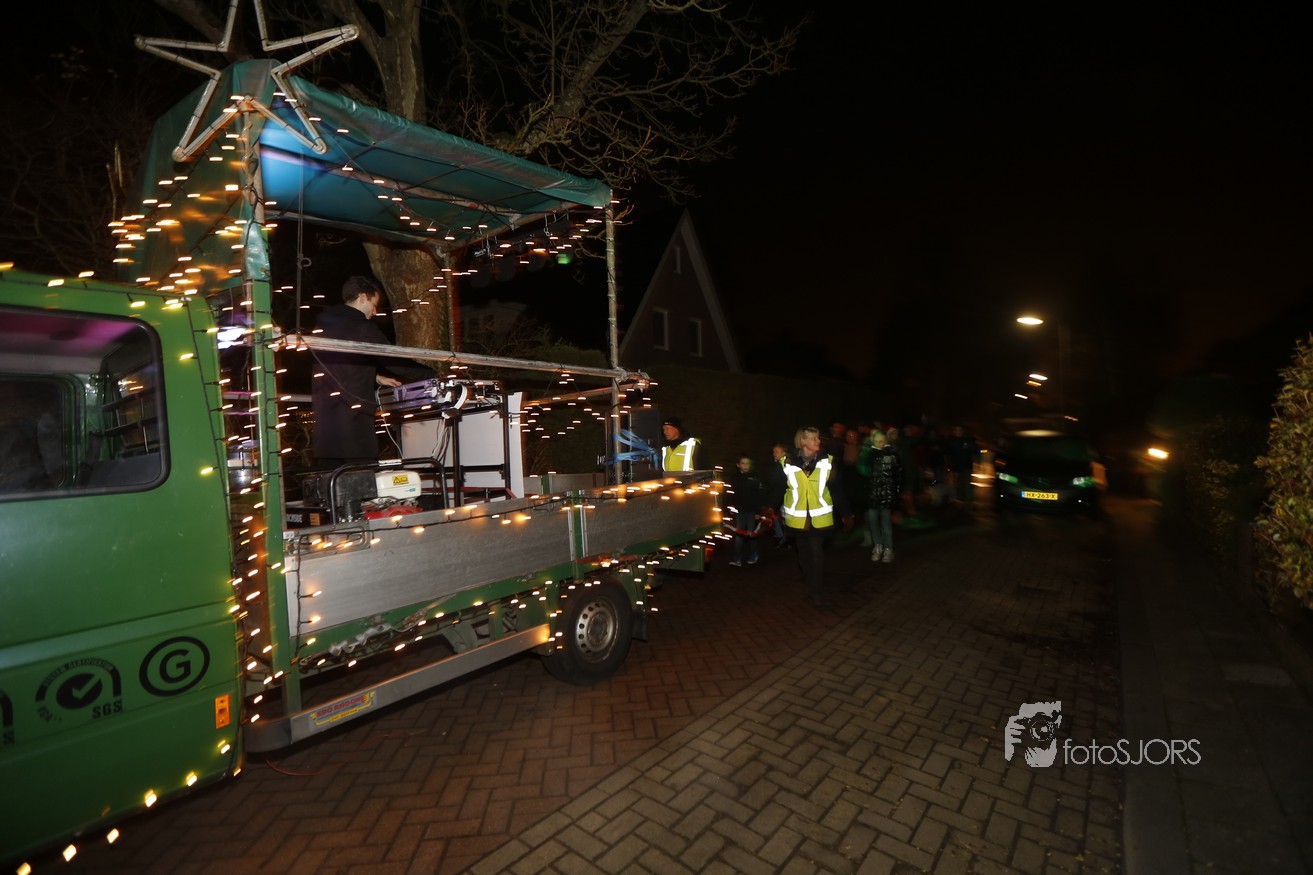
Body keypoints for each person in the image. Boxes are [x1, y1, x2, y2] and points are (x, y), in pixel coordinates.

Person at [311, 276, 432, 468]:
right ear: (362, 297)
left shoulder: (323, 327)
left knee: (331, 480)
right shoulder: (362, 327)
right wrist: (433, 375)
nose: (375, 312)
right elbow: (396, 362)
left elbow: (337, 364)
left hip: (325, 423)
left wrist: (375, 377)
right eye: (374, 305)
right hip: (354, 423)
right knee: (361, 476)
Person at [771, 425, 854, 607]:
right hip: (797, 519)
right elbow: (778, 489)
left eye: (818, 437)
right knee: (803, 555)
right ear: (803, 441)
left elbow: (837, 490)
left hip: (819, 518)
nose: (818, 441)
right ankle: (809, 585)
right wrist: (769, 506)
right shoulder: (786, 463)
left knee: (816, 553)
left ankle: (816, 591)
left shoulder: (828, 462)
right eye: (813, 438)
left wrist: (846, 514)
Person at [860, 428, 903, 563]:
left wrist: (897, 493)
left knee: (886, 522)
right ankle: (878, 545)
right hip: (873, 493)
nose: (879, 444)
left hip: (887, 493)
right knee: (873, 521)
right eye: (876, 441)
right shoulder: (868, 455)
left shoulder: (892, 455)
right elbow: (863, 472)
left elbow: (898, 475)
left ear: (885, 441)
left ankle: (888, 548)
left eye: (881, 441)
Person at [725, 454, 767, 566]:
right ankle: (737, 558)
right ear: (738, 465)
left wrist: (758, 512)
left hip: (751, 510)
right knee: (739, 535)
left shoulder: (755, 477)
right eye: (743, 463)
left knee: (751, 533)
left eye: (747, 463)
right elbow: (731, 493)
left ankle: (754, 555)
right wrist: (730, 507)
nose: (745, 466)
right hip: (739, 510)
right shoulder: (735, 478)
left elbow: (759, 495)